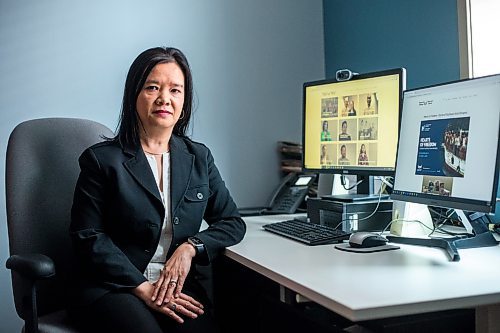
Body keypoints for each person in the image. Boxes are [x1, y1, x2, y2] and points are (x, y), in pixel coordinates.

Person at [68, 47, 246, 333]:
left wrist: (191, 247)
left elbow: (232, 222)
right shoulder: (101, 160)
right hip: (114, 287)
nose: (165, 98)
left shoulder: (199, 158)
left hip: (174, 287)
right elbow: (88, 236)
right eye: (153, 87)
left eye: (176, 90)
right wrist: (142, 287)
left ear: (185, 102)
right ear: (134, 95)